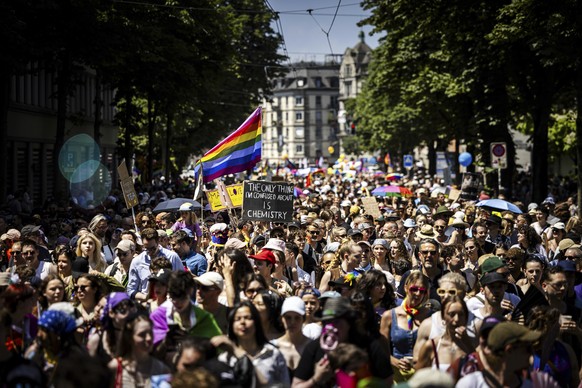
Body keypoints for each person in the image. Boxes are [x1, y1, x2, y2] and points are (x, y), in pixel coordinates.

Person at [293, 296, 393, 387]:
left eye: (336, 322)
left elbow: (388, 383)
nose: (331, 327)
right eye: (327, 322)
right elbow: (296, 385)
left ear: (349, 322)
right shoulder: (314, 348)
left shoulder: (369, 346)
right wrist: (316, 379)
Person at [215, 300, 290, 386]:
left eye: (248, 318)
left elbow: (285, 384)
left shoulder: (273, 354)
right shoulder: (225, 358)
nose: (242, 322)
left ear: (257, 322)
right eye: (237, 319)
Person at [381, 270, 432, 382]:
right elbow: (382, 351)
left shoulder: (430, 316)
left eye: (422, 291)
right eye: (414, 289)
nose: (418, 294)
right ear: (405, 287)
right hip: (396, 376)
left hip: (422, 377)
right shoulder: (389, 316)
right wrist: (395, 361)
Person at [456, 322, 543, 387]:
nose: (531, 354)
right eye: (527, 348)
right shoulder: (471, 384)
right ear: (509, 350)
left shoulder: (530, 386)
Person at [108, 313, 171, 386]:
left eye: (150, 333)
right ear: (129, 337)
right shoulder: (115, 368)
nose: (149, 338)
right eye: (142, 335)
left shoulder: (162, 370)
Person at [527, 305, 580, 387]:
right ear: (547, 327)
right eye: (556, 322)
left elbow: (575, 383)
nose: (560, 325)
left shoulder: (566, 349)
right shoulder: (527, 354)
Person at [126, 227, 183, 302]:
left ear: (158, 241)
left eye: (152, 248)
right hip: (146, 304)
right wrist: (146, 297)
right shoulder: (137, 261)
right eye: (146, 249)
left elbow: (182, 282)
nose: (149, 252)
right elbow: (131, 290)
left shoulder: (172, 257)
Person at [416, 296, 469, 371]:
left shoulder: (471, 345)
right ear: (443, 316)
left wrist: (468, 344)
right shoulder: (432, 346)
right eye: (452, 314)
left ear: (466, 317)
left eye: (461, 314)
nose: (457, 319)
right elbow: (418, 378)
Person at [273, 296, 311, 377]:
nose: (292, 322)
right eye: (288, 318)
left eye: (297, 318)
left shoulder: (312, 347)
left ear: (303, 319)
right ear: (282, 319)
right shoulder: (273, 347)